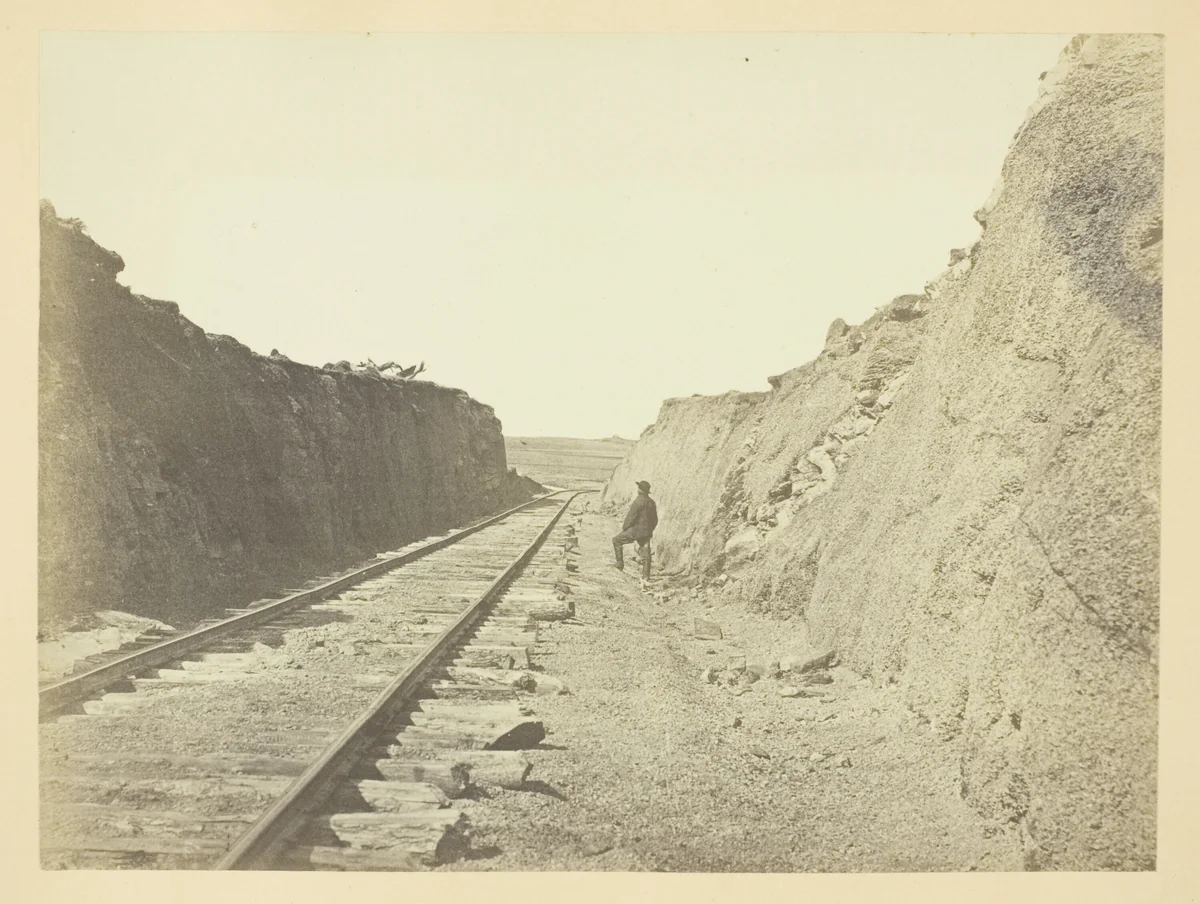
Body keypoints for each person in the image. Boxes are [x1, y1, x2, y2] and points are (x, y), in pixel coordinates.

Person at [613, 480, 658, 580]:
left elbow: (630, 517)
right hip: (646, 532)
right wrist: (650, 530)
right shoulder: (652, 503)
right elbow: (655, 520)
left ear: (640, 490)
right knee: (646, 553)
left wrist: (625, 528)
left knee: (616, 540)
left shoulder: (637, 502)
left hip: (635, 531)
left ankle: (619, 563)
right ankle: (646, 575)